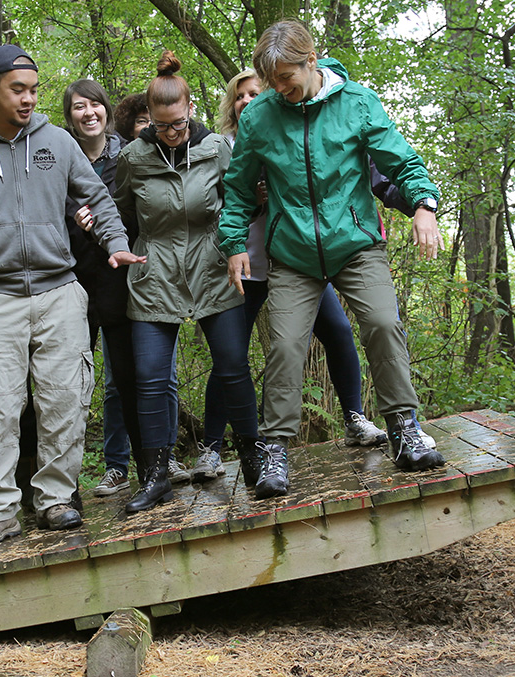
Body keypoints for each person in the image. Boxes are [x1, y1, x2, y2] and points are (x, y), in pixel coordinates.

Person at [220, 21, 446, 502]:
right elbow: (238, 190)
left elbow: (401, 162)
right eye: (272, 80)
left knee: (384, 323)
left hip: (355, 244)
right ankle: (276, 450)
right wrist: (235, 243)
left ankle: (405, 429)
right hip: (294, 255)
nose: (280, 88)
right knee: (283, 347)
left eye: (286, 77)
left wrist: (424, 204)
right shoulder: (260, 116)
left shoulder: (357, 102)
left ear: (311, 61)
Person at [0, 45, 144, 549]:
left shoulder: (56, 142)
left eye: (33, 89)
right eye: (17, 90)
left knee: (64, 401)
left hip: (59, 293)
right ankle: (0, 511)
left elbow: (96, 197)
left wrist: (115, 244)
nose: (29, 99)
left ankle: (55, 500)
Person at [200, 70, 407, 467]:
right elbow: (229, 198)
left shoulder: (336, 111)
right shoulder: (227, 143)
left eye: (254, 92)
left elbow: (379, 174)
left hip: (303, 258)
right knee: (236, 356)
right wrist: (236, 236)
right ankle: (217, 446)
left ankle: (359, 417)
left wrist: (420, 204)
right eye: (240, 96)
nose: (249, 100)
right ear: (233, 103)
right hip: (250, 268)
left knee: (345, 331)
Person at [114, 51, 261, 514]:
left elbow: (238, 202)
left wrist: (240, 225)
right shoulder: (134, 157)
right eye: (161, 126)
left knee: (234, 365)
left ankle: (253, 458)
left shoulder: (216, 148)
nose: (171, 133)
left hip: (212, 267)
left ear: (191, 109)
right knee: (151, 378)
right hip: (154, 272)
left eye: (177, 124)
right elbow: (116, 212)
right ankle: (156, 474)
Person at [61, 81, 189, 498]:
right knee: (66, 385)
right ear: (70, 116)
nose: (88, 113)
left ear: (106, 111)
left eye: (94, 104)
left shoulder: (128, 156)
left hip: (120, 281)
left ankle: (151, 471)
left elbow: (144, 216)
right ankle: (65, 488)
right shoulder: (57, 159)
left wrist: (106, 220)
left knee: (131, 381)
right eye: (78, 107)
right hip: (70, 283)